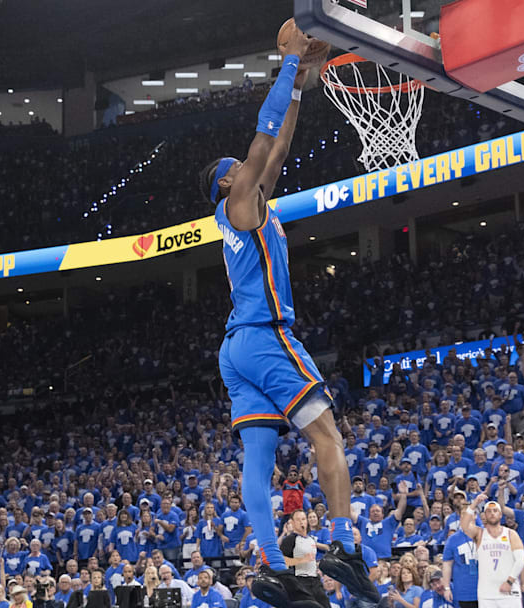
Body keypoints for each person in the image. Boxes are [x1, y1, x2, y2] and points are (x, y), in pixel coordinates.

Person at [201, 20, 376, 608]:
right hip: (262, 335)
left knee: (258, 460)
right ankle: (344, 546)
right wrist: (290, 62)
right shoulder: (237, 201)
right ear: (227, 181)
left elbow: (277, 148)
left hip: (235, 350)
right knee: (327, 435)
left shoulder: (251, 206)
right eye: (236, 165)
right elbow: (262, 138)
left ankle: (276, 571)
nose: (246, 163)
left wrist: (302, 85)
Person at [460, 494, 524, 608]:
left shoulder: (511, 534)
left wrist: (509, 581)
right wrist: (475, 503)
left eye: (495, 511)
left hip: (509, 591)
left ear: (500, 515)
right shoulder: (479, 534)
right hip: (487, 594)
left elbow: (521, 560)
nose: (492, 513)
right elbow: (464, 525)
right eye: (489, 511)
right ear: (484, 516)